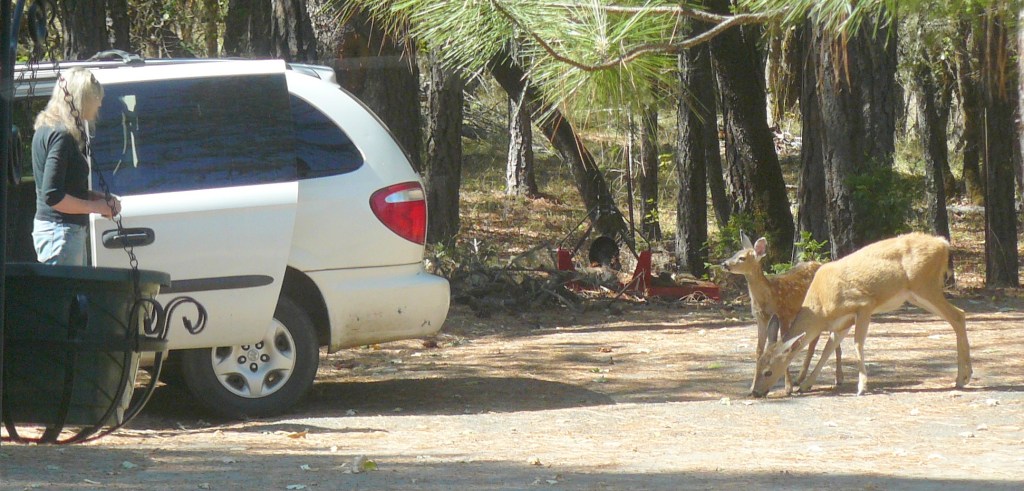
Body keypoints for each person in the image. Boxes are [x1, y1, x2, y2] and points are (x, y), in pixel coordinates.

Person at [31, 67, 120, 266]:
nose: (100, 103)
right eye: (96, 98)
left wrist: (99, 198)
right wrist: (97, 207)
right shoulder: (61, 135)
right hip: (61, 234)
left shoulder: (46, 129)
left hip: (59, 233)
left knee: (71, 295)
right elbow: (53, 195)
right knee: (65, 296)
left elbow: (64, 187)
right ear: (83, 98)